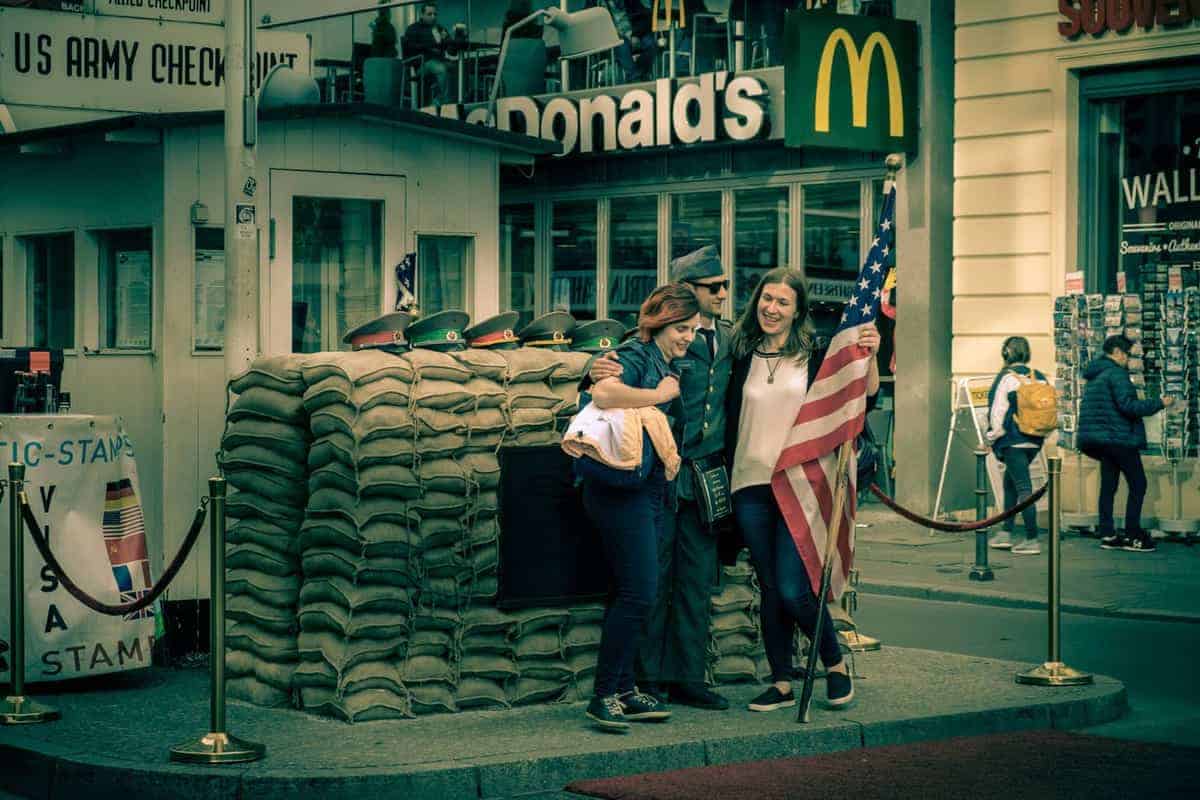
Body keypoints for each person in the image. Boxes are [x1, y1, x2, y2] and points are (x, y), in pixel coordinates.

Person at [586, 244, 734, 712]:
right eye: (713, 287)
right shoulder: (645, 346)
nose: (723, 294)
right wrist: (594, 368)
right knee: (649, 579)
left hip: (702, 474)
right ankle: (640, 679)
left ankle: (685, 676)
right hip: (653, 475)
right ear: (684, 292)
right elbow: (606, 383)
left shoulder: (730, 339)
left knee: (694, 580)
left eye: (725, 285)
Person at [725, 267, 879, 712]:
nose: (772, 308)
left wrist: (870, 357)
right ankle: (781, 681)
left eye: (783, 302)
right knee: (770, 587)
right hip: (749, 485)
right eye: (766, 298)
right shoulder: (740, 353)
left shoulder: (814, 356)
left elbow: (862, 399)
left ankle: (833, 662)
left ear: (798, 311)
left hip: (797, 484)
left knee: (794, 588)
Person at [579, 283, 699, 732]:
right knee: (639, 591)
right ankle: (603, 696)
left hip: (646, 488)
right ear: (659, 322)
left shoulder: (662, 361)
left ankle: (625, 689)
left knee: (631, 589)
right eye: (681, 328)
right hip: (618, 489)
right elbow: (604, 395)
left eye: (692, 329)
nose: (687, 337)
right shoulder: (634, 355)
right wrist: (661, 395)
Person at [1077, 334, 1171, 553]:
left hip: (1103, 441)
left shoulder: (1096, 375)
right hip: (1120, 438)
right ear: (1117, 352)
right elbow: (1129, 406)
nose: (1128, 359)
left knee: (1108, 486)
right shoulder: (1116, 374)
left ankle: (1107, 534)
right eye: (1127, 354)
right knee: (1139, 483)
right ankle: (1132, 534)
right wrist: (1160, 403)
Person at [984, 336, 1047, 555]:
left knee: (1023, 488)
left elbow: (997, 413)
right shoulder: (1039, 377)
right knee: (1010, 483)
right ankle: (1006, 532)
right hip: (1034, 440)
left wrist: (990, 438)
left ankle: (1032, 538)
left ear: (1006, 353)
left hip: (1013, 441)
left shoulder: (1006, 378)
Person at [403, 3, 450, 104]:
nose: (433, 17)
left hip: (438, 61)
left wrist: (446, 39)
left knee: (456, 67)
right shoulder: (413, 28)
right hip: (421, 64)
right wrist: (431, 45)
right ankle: (442, 101)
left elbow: (451, 49)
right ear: (422, 15)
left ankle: (446, 101)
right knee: (441, 69)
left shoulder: (439, 28)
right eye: (429, 14)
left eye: (435, 14)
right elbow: (410, 48)